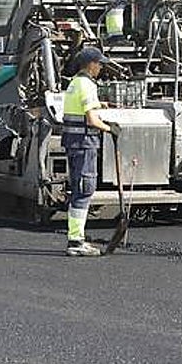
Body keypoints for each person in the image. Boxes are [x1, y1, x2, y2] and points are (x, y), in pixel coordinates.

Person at [61, 47, 116, 257]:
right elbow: (92, 120)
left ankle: (75, 238)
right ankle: (76, 241)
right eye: (99, 64)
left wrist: (99, 105)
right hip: (85, 143)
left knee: (78, 190)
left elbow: (81, 110)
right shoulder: (87, 85)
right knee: (84, 190)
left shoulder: (74, 83)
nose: (101, 67)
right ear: (90, 64)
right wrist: (111, 129)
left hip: (73, 143)